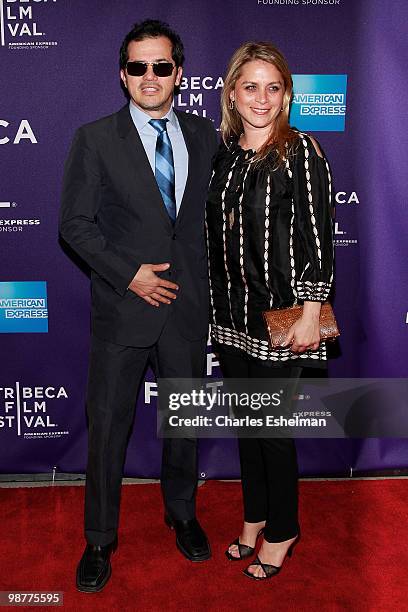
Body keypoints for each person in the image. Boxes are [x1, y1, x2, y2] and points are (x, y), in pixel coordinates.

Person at [60, 19, 218, 593]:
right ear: (122, 75)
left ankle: (182, 512)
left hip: (186, 310)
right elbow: (74, 225)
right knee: (107, 430)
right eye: (137, 66)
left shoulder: (205, 136)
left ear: (179, 72)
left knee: (184, 424)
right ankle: (99, 539)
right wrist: (130, 275)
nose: (149, 77)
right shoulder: (95, 138)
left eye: (161, 66)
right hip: (123, 310)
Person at [206, 42, 334, 580]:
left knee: (273, 431)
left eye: (272, 87)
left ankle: (283, 529)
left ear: (285, 96)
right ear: (232, 93)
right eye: (250, 86)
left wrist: (311, 309)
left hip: (282, 319)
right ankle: (254, 517)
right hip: (231, 317)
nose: (261, 97)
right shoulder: (225, 154)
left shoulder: (300, 150)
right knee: (248, 427)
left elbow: (318, 237)